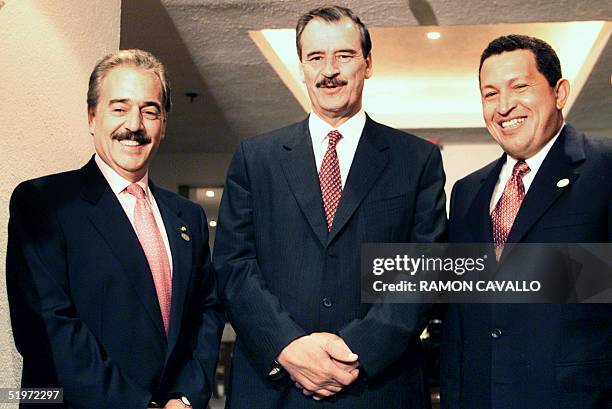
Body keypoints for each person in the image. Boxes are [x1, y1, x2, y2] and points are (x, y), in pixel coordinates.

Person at [213, 5, 446, 408]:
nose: (329, 70)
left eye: (344, 55)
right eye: (315, 58)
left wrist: (355, 351)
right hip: (276, 388)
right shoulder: (256, 158)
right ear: (302, 68)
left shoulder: (416, 160)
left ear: (368, 63)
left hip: (377, 386)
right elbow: (233, 266)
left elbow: (425, 270)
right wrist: (288, 346)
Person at [6, 49, 223, 409]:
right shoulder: (43, 203)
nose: (134, 125)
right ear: (92, 116)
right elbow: (47, 329)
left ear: (163, 124)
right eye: (119, 108)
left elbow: (206, 313)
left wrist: (184, 398)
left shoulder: (189, 218)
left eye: (149, 110)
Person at [441, 35, 612, 408]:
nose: (504, 106)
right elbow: (459, 319)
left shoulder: (606, 168)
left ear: (560, 92)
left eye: (520, 86)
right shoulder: (467, 192)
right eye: (489, 94)